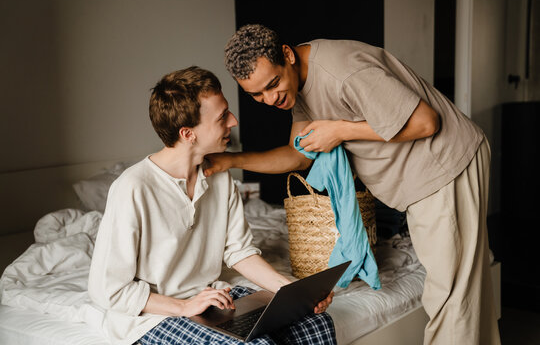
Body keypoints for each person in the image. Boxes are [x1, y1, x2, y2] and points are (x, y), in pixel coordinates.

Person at [204, 24, 501, 345]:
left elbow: (426, 122)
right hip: (423, 178)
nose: (269, 99)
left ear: (287, 55)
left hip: (443, 163)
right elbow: (298, 155)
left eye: (272, 85)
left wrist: (339, 130)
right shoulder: (296, 86)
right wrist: (229, 161)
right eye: (256, 94)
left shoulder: (342, 71)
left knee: (450, 295)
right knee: (466, 290)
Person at [88, 66, 336, 345]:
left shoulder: (219, 176)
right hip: (152, 315)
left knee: (314, 321)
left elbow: (238, 250)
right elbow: (106, 289)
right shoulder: (133, 187)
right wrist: (182, 307)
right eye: (221, 117)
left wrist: (293, 291)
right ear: (187, 133)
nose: (233, 121)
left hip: (210, 297)